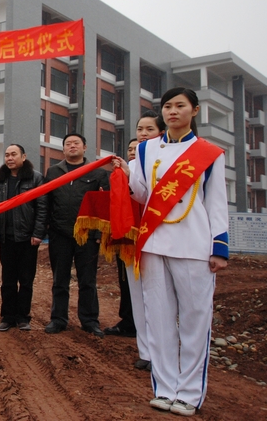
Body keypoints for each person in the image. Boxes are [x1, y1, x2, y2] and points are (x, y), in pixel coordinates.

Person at [119, 88, 227, 416]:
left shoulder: (209, 153)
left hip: (194, 245)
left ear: (194, 110)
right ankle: (165, 389)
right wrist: (126, 177)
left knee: (195, 321)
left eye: (180, 105)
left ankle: (189, 394)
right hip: (154, 243)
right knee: (159, 320)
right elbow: (142, 194)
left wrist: (219, 247)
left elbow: (216, 202)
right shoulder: (147, 148)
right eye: (167, 106)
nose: (173, 111)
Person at [105, 111, 164, 375]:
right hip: (134, 239)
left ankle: (164, 352)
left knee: (159, 298)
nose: (143, 134)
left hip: (161, 238)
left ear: (160, 132)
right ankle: (146, 351)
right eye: (140, 129)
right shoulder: (134, 164)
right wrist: (127, 173)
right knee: (139, 297)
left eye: (149, 129)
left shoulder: (167, 160)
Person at [44, 133, 109, 337]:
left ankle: (90, 320)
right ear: (63, 149)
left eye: (76, 143)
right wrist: (46, 228)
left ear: (85, 147)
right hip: (59, 233)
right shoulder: (53, 172)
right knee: (60, 279)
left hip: (86, 235)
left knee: (87, 280)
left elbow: (103, 204)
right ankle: (58, 319)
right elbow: (46, 201)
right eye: (68, 144)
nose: (72, 146)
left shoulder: (98, 172)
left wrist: (99, 232)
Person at [0, 144, 46, 332]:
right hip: (6, 238)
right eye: (7, 155)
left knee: (26, 280)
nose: (10, 158)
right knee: (8, 280)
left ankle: (23, 317)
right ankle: (7, 317)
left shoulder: (35, 178)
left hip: (27, 239)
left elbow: (42, 208)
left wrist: (38, 234)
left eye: (14, 154)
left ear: (23, 156)